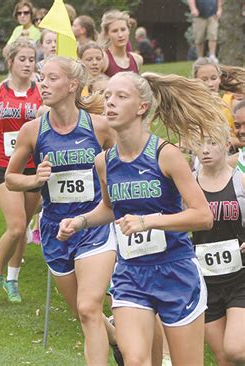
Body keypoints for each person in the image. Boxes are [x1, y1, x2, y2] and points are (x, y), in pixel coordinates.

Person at [58, 71, 227, 365]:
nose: (110, 102)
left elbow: (202, 216)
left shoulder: (167, 155)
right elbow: (111, 210)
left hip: (176, 272)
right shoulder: (104, 161)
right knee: (135, 360)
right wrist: (81, 221)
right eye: (108, 95)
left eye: (121, 97)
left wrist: (149, 221)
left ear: (142, 107)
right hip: (131, 273)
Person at [5, 55, 117, 364]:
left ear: (73, 85)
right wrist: (34, 180)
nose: (42, 83)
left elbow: (124, 164)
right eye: (42, 78)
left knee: (88, 308)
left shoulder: (99, 127)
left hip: (94, 226)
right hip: (55, 232)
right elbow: (9, 179)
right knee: (85, 315)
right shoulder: (33, 130)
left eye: (52, 78)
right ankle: (120, 341)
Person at [0, 39, 41, 303]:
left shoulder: (42, 92)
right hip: (4, 165)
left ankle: (13, 280)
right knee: (15, 226)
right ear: (11, 61)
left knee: (24, 223)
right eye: (22, 59)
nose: (27, 64)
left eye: (32, 59)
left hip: (33, 167)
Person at [192, 131, 245, 366]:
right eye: (199, 144)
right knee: (223, 358)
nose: (205, 150)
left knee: (235, 350)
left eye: (212, 143)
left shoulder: (241, 181)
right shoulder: (187, 185)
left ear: (226, 144)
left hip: (240, 278)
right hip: (205, 282)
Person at [192, 57, 245, 149]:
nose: (210, 84)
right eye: (204, 80)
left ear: (220, 79)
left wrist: (229, 141)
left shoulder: (232, 104)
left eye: (213, 78)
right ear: (195, 81)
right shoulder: (192, 110)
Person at [99, 10, 143, 77]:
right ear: (107, 34)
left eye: (123, 29)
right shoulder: (103, 59)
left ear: (128, 30)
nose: (120, 35)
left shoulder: (137, 59)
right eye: (115, 31)